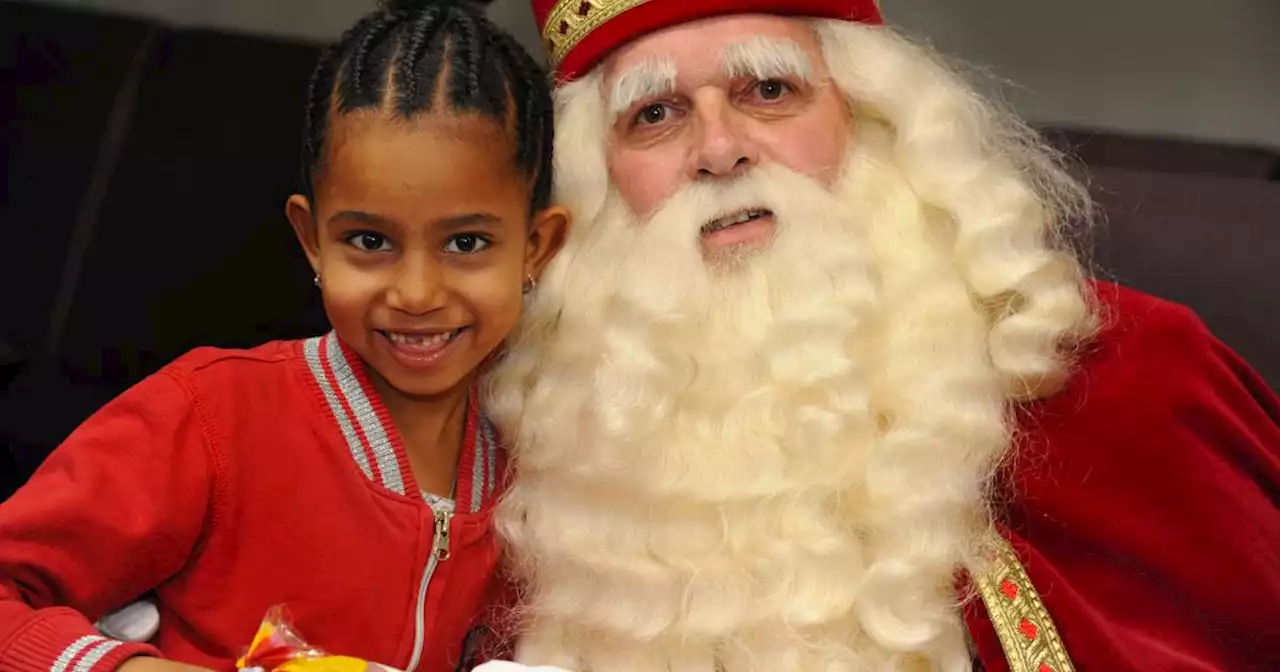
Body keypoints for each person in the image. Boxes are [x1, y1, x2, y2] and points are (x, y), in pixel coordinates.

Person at [484, 1, 1280, 671]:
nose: (720, 150)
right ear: (597, 175)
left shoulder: (1131, 370)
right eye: (654, 115)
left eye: (769, 89)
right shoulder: (541, 445)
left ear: (870, 116)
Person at [0, 1, 567, 670]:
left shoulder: (548, 460)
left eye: (467, 242)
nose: (416, 293)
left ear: (535, 247)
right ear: (312, 240)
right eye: (369, 241)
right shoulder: (211, 416)